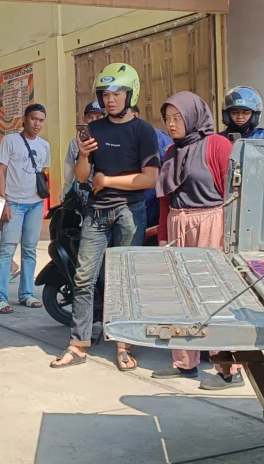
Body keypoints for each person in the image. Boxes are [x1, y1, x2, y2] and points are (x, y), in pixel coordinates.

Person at [52, 64, 158, 370]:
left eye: (116, 93)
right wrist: (84, 156)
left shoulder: (143, 131)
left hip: (129, 212)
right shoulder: (94, 130)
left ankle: (123, 344)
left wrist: (108, 181)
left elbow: (149, 178)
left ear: (130, 94)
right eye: (105, 94)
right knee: (84, 277)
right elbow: (83, 177)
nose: (109, 100)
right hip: (95, 214)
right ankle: (78, 344)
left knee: (123, 280)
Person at [150, 92, 244, 389]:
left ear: (193, 116)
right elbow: (166, 200)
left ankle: (229, 370)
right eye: (167, 119)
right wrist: (164, 237)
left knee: (214, 297)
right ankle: (184, 363)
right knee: (180, 296)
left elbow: (234, 194)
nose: (171, 124)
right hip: (179, 223)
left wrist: (230, 237)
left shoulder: (217, 145)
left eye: (177, 118)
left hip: (211, 222)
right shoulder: (171, 152)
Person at [0, 104, 50, 314]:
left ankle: (26, 294)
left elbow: (42, 172)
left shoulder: (44, 146)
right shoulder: (10, 141)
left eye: (41, 120)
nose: (37, 123)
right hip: (13, 203)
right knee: (6, 250)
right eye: (34, 119)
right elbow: (0, 171)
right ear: (24, 119)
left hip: (35, 204)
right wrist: (2, 201)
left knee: (30, 250)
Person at [62, 102, 105, 197]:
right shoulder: (75, 142)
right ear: (84, 119)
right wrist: (66, 192)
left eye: (98, 117)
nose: (94, 121)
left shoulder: (109, 140)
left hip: (103, 194)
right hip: (80, 193)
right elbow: (69, 168)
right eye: (90, 117)